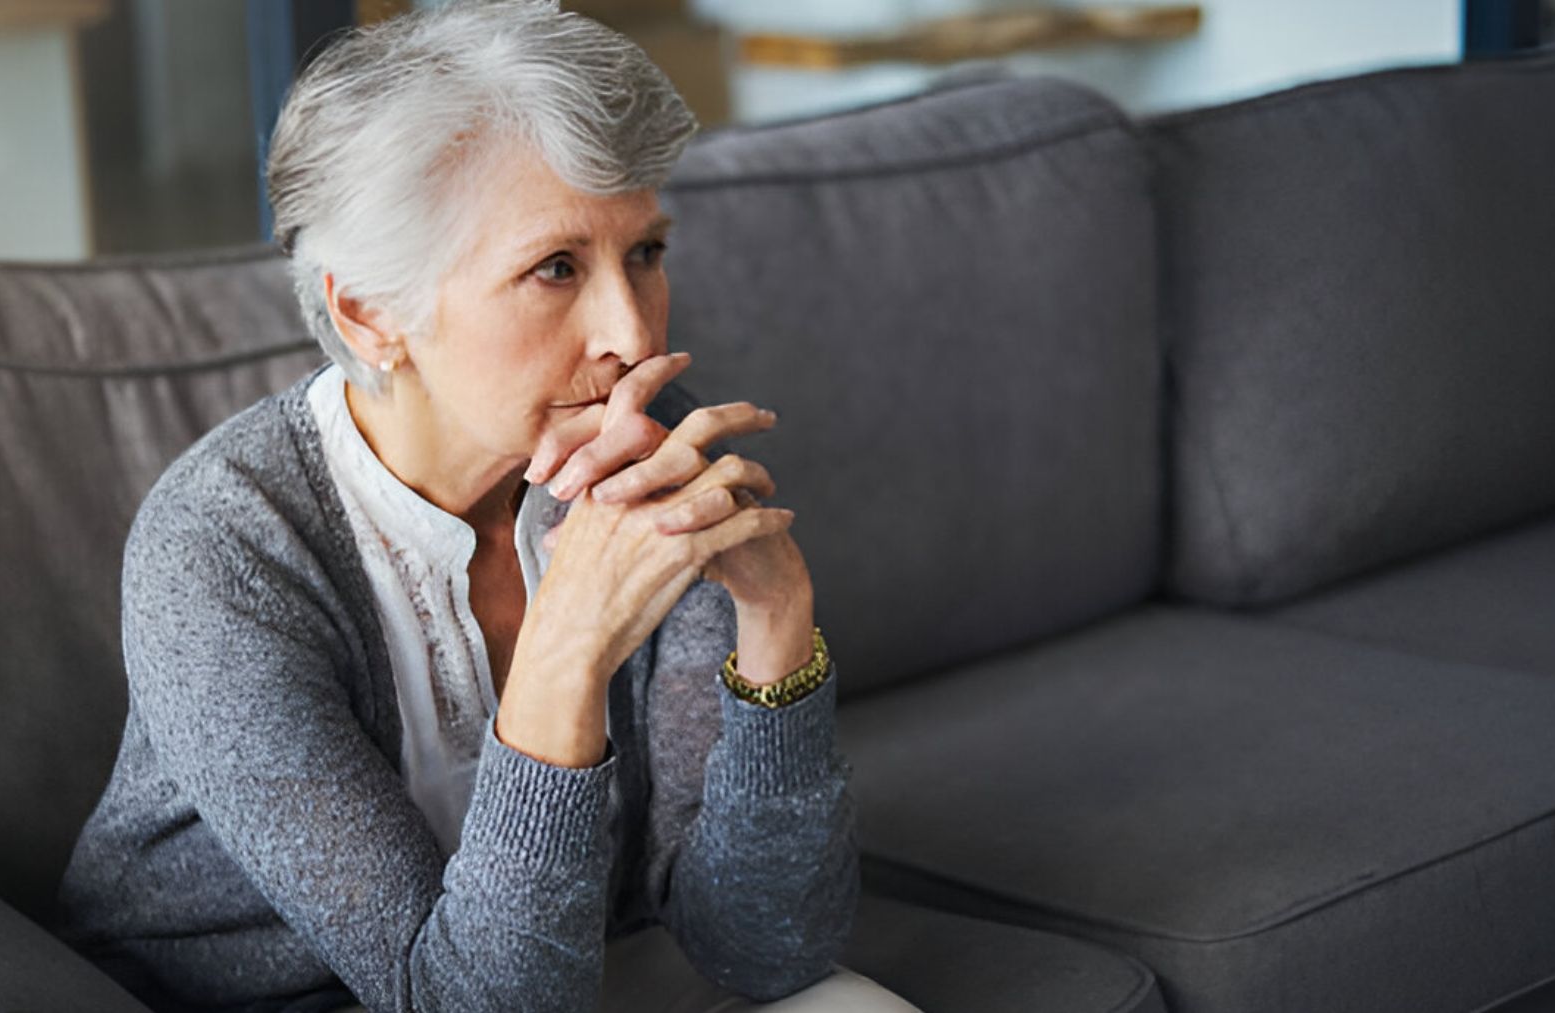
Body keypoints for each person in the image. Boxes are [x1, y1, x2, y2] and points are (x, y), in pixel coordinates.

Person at [52, 3, 919, 1010]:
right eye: (556, 267)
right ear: (369, 313)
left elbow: (766, 947)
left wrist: (778, 629)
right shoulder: (222, 548)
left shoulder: (643, 444)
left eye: (645, 251)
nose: (633, 337)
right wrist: (566, 650)